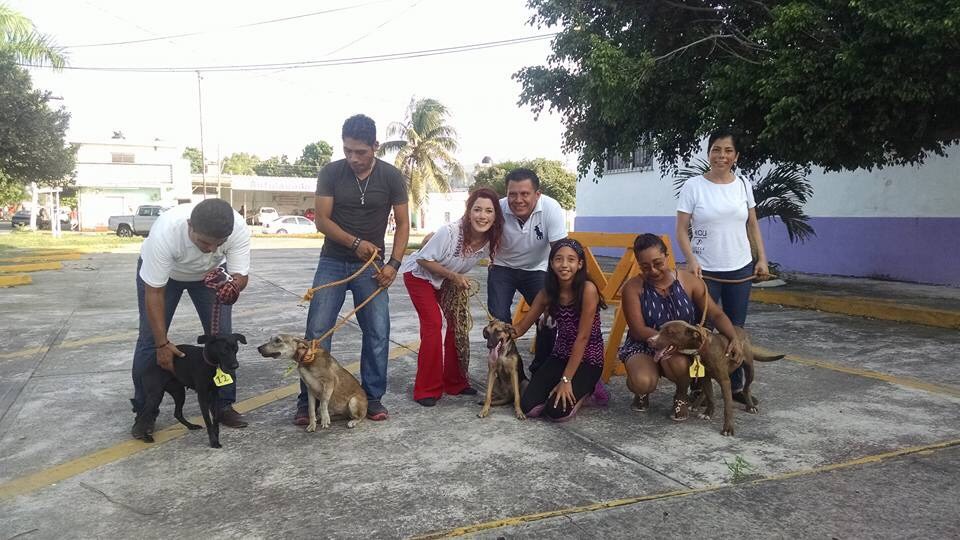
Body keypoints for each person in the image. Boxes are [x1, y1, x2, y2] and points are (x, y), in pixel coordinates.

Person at [298, 114, 410, 424]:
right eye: (347, 150)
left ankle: (371, 396)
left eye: (360, 151)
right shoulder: (331, 173)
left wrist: (394, 265)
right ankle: (304, 400)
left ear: (375, 146)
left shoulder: (391, 176)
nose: (353, 158)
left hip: (373, 267)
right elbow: (322, 220)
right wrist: (354, 243)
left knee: (377, 331)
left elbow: (403, 224)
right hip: (333, 261)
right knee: (317, 332)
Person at [130, 198, 251, 433]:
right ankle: (145, 413)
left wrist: (232, 285)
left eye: (219, 244)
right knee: (149, 341)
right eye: (204, 242)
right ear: (190, 226)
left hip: (212, 276)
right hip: (168, 277)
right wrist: (162, 343)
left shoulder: (237, 228)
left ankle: (223, 405)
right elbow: (154, 293)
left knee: (222, 340)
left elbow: (240, 275)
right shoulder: (165, 234)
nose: (211, 250)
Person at [675, 129, 769, 402]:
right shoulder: (694, 186)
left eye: (728, 151)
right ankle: (697, 386)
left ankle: (736, 386)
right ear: (708, 153)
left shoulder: (743, 185)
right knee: (699, 330)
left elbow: (752, 224)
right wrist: (692, 261)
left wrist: (761, 258)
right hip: (704, 270)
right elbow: (681, 229)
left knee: (735, 329)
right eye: (716, 149)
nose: (722, 156)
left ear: (736, 156)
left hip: (739, 268)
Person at [619, 234, 743, 421]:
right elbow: (637, 330)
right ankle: (642, 393)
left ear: (667, 256)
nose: (652, 270)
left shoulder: (689, 281)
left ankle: (681, 394)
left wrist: (734, 338)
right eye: (645, 267)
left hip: (682, 346)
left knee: (678, 363)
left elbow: (715, 314)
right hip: (647, 343)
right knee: (643, 382)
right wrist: (664, 340)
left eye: (658, 263)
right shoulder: (633, 288)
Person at [400, 187, 504, 406]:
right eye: (477, 209)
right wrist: (453, 276)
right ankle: (426, 389)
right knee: (433, 324)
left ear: (496, 216)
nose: (482, 216)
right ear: (468, 211)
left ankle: (455, 382)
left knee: (459, 325)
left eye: (488, 211)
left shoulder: (490, 240)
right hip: (420, 276)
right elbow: (423, 259)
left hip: (448, 279)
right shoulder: (450, 232)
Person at [511, 238, 606, 421]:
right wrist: (501, 331)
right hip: (561, 355)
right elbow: (521, 328)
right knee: (528, 407)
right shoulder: (547, 293)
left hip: (588, 359)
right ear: (552, 264)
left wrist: (566, 380)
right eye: (558, 259)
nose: (564, 264)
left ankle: (589, 389)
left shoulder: (588, 289)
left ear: (579, 264)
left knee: (556, 413)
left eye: (571, 260)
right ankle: (563, 382)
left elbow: (583, 338)